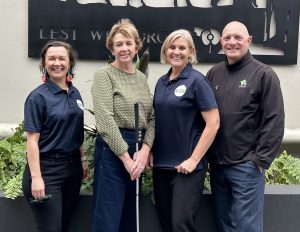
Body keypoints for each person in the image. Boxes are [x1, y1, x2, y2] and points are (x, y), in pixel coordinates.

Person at [206, 21, 285, 232]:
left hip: (246, 168)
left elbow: (274, 121)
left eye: (238, 38)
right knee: (225, 226)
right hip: (218, 167)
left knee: (246, 228)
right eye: (227, 38)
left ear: (249, 41)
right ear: (221, 41)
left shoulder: (264, 74)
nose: (232, 42)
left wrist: (258, 161)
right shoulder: (214, 74)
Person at [152, 29, 220, 232]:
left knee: (181, 224)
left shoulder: (197, 81)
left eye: (182, 48)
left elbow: (213, 123)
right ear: (165, 51)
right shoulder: (161, 82)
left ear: (191, 52)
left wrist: (194, 159)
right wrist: (152, 151)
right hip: (161, 166)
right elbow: (158, 120)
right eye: (172, 47)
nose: (176, 52)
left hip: (186, 169)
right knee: (165, 224)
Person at [91, 18, 154, 232]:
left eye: (128, 43)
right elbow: (105, 121)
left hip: (137, 150)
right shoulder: (104, 75)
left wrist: (144, 152)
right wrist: (126, 159)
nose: (124, 48)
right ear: (112, 48)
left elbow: (152, 118)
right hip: (112, 152)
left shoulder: (141, 78)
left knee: (130, 215)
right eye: (119, 44)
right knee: (107, 218)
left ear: (137, 46)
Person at [22, 40, 89, 232]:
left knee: (64, 226)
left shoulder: (74, 93)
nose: (56, 63)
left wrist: (82, 159)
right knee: (50, 229)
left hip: (72, 170)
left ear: (70, 63)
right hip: (47, 170)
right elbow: (32, 140)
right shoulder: (37, 97)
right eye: (51, 58)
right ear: (44, 63)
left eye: (62, 58)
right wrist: (36, 178)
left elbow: (76, 129)